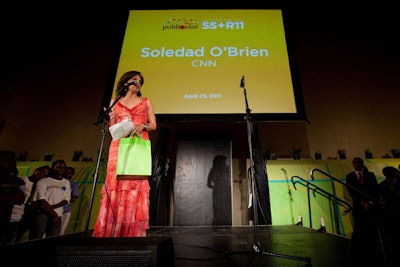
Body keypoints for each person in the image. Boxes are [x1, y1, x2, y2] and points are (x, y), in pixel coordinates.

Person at [92, 70, 157, 237]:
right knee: (115, 184)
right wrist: (112, 117)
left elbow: (153, 125)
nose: (138, 82)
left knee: (135, 182)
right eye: (134, 79)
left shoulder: (145, 102)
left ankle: (132, 230)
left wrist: (143, 126)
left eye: (140, 81)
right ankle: (113, 229)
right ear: (126, 82)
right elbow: (112, 129)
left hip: (137, 144)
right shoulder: (115, 102)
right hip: (119, 145)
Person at [345, 157, 385, 266]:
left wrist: (371, 201)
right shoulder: (350, 177)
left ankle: (374, 254)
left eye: (359, 162)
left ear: (362, 164)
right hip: (359, 207)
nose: (357, 164)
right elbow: (352, 191)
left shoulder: (370, 175)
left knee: (372, 229)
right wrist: (362, 202)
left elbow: (375, 188)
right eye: (355, 162)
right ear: (353, 164)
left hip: (371, 205)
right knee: (359, 229)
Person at [8, 165, 50, 243]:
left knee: (15, 238)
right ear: (36, 170)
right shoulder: (22, 180)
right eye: (40, 170)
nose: (41, 173)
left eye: (45, 173)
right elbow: (21, 196)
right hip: (11, 213)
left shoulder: (39, 186)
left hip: (22, 216)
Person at [29, 160, 71, 240]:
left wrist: (53, 209)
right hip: (43, 214)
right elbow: (42, 200)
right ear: (52, 167)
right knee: (36, 238)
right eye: (58, 167)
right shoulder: (43, 181)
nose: (61, 169)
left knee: (52, 239)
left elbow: (66, 199)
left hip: (57, 215)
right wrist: (54, 215)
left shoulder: (66, 182)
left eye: (63, 168)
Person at [0, 150, 25, 245]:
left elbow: (21, 199)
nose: (11, 162)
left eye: (13, 159)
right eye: (6, 160)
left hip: (6, 220)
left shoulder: (19, 181)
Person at [60, 166, 79, 235]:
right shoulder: (58, 183)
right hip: (53, 210)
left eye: (70, 173)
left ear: (72, 175)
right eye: (66, 172)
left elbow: (73, 199)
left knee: (61, 232)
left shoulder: (74, 185)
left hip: (65, 211)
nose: (67, 174)